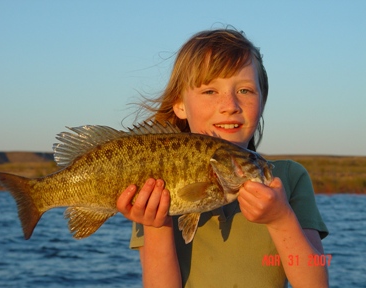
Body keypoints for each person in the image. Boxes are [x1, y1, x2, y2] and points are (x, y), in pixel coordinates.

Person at [116, 28, 329, 287]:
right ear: (180, 104)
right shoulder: (153, 181)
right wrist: (157, 226)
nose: (230, 105)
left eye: (245, 91)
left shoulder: (288, 178)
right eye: (210, 92)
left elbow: (316, 282)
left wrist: (280, 219)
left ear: (262, 101)